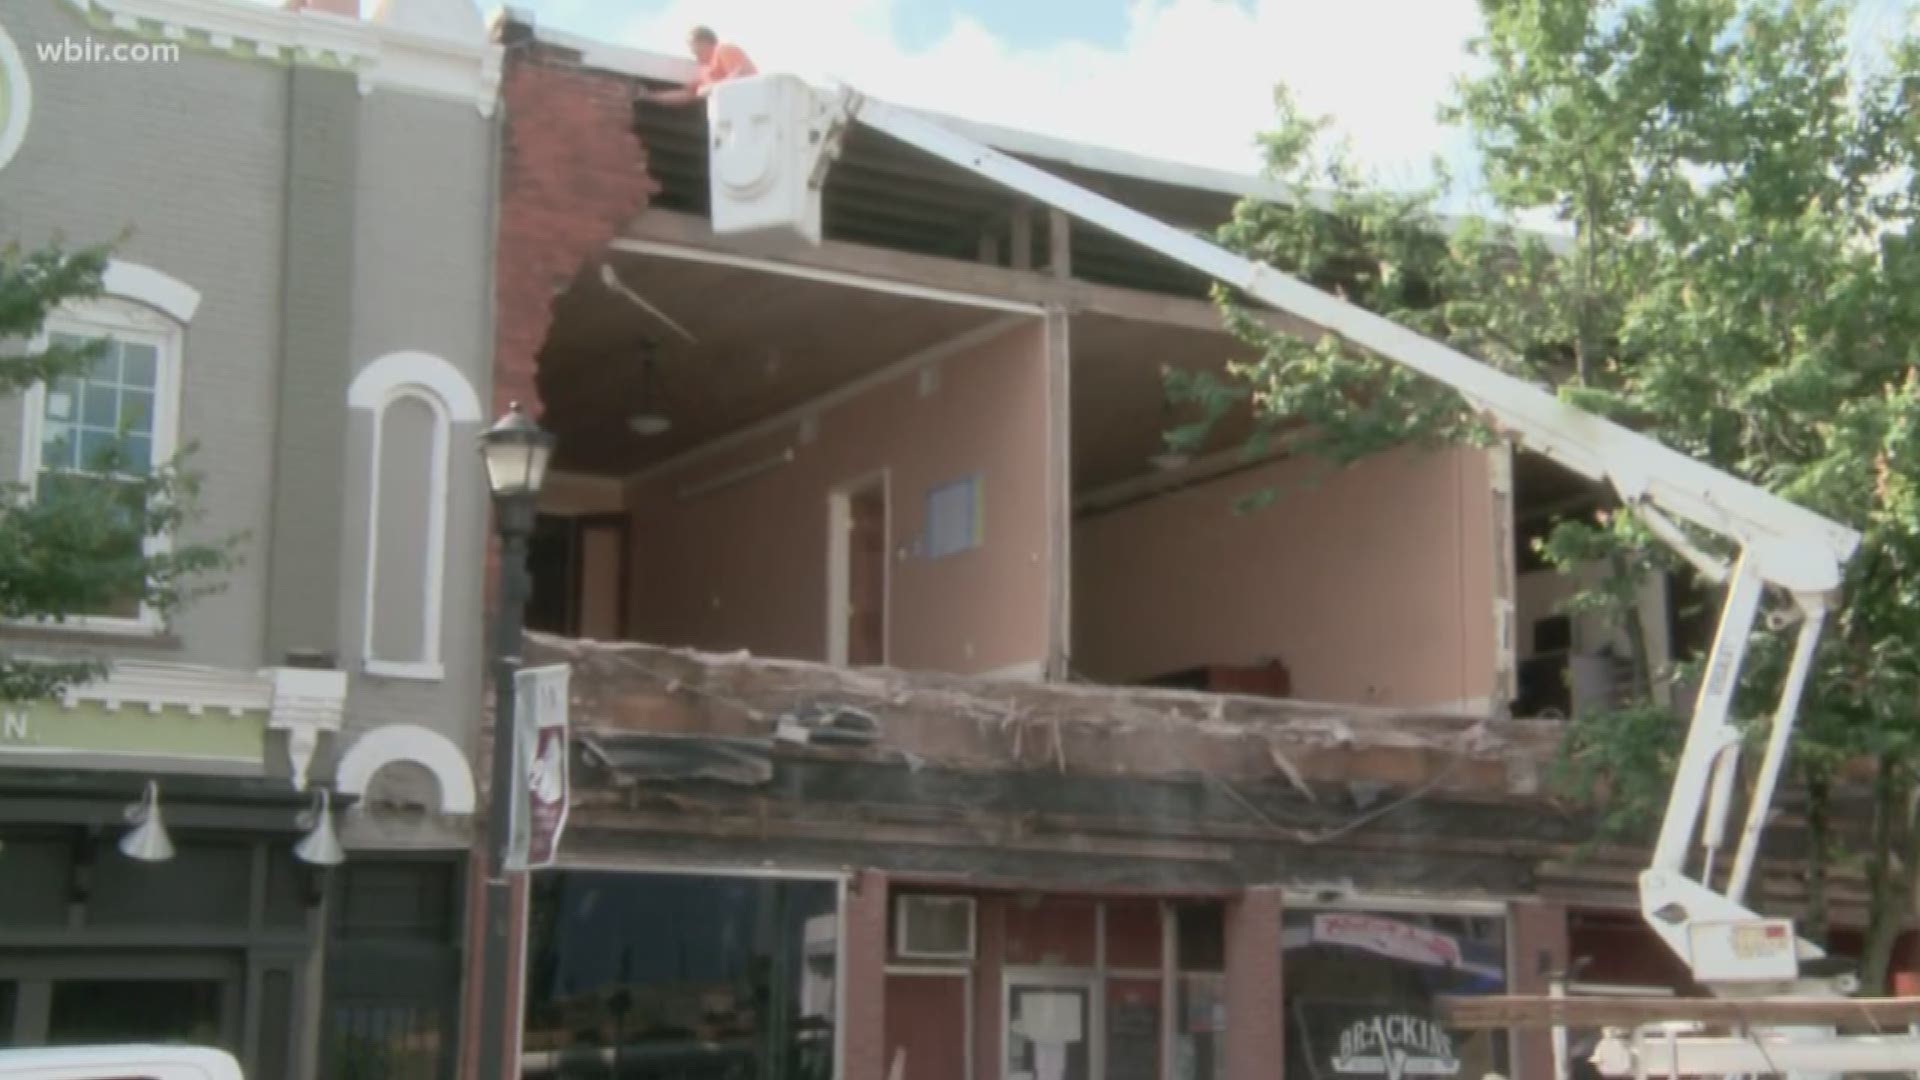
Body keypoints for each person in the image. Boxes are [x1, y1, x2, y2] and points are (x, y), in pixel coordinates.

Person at [637, 26, 757, 106]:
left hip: (751, 105)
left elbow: (740, 77)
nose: (691, 51)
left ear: (704, 41)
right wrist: (650, 96)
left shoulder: (724, 50)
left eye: (692, 44)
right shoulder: (704, 70)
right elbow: (687, 95)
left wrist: (707, 89)